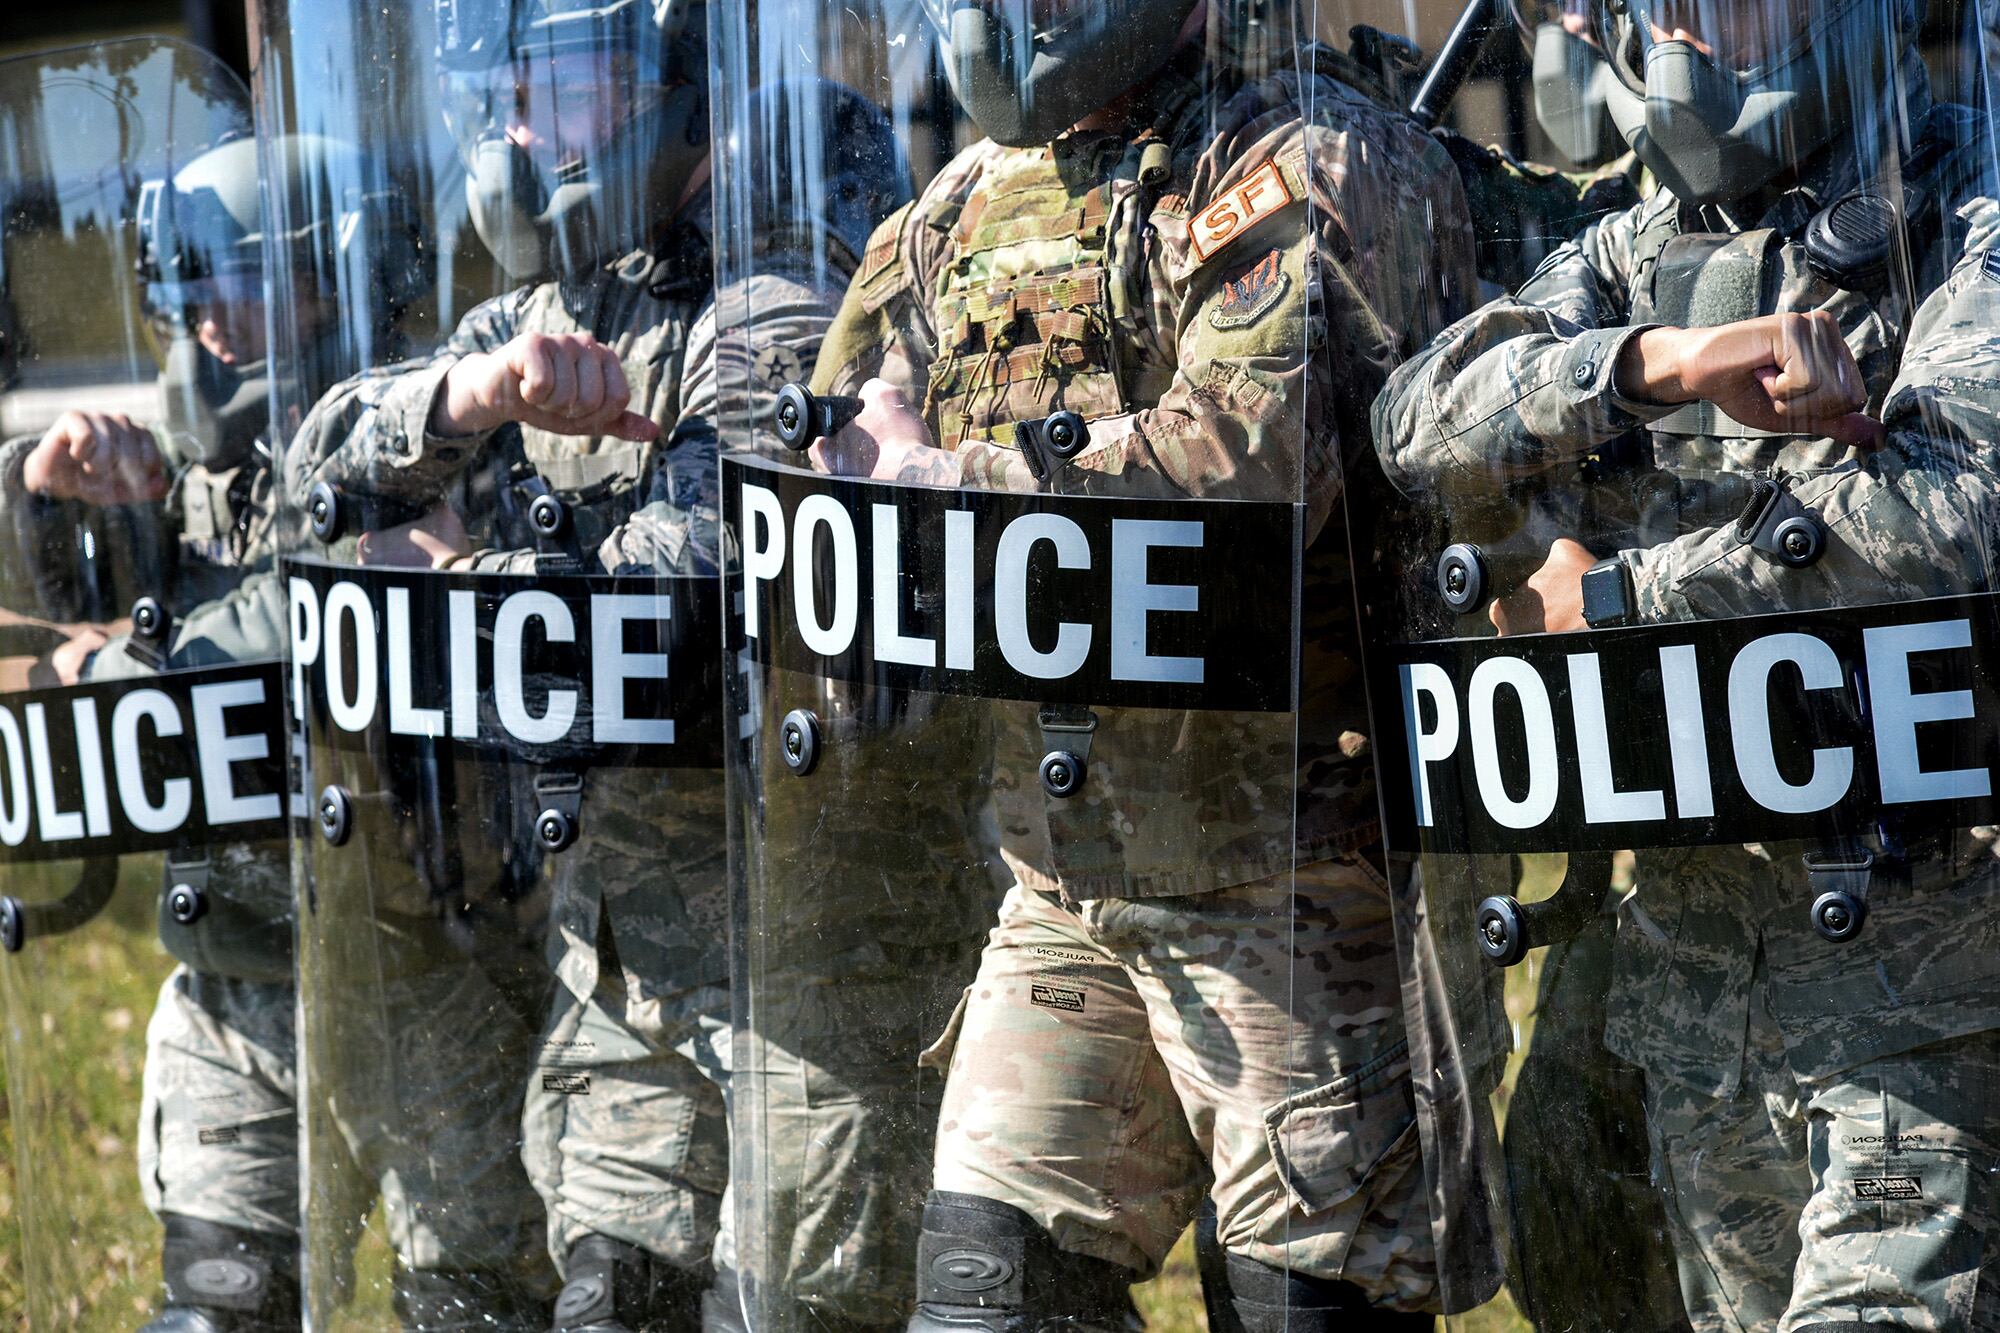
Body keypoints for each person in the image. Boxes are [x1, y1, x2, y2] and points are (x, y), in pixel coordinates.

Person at [806, 1, 1477, 1327]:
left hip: (1297, 882)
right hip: (1063, 875)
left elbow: (1244, 474)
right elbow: (831, 477)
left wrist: (940, 482)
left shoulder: (1306, 156)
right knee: (986, 1294)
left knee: (1301, 1310)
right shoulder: (952, 212)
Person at [1372, 0, 2000, 1327]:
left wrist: (1609, 601)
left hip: (1933, 990)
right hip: (1705, 987)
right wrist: (1646, 364)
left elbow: (1954, 522)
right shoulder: (1640, 241)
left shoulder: (1971, 196)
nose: (1691, 33)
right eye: (1662, 7)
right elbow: (1416, 419)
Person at [282, 3, 904, 1327]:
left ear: (679, 86)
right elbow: (309, 484)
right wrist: (470, 401)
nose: (523, 132)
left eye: (566, 89)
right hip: (623, 968)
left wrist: (454, 582)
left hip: (807, 977)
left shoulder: (780, 306)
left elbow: (678, 596)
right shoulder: (542, 313)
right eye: (508, 97)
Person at [0, 130, 415, 1333]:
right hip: (242, 980)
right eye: (177, 285)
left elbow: (298, 615)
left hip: (430, 974)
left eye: (228, 278)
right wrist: (57, 499)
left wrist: (103, 663)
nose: (200, 320)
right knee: (215, 1311)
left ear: (333, 273)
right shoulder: (209, 471)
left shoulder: (430, 439)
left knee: (476, 1301)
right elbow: (79, 601)